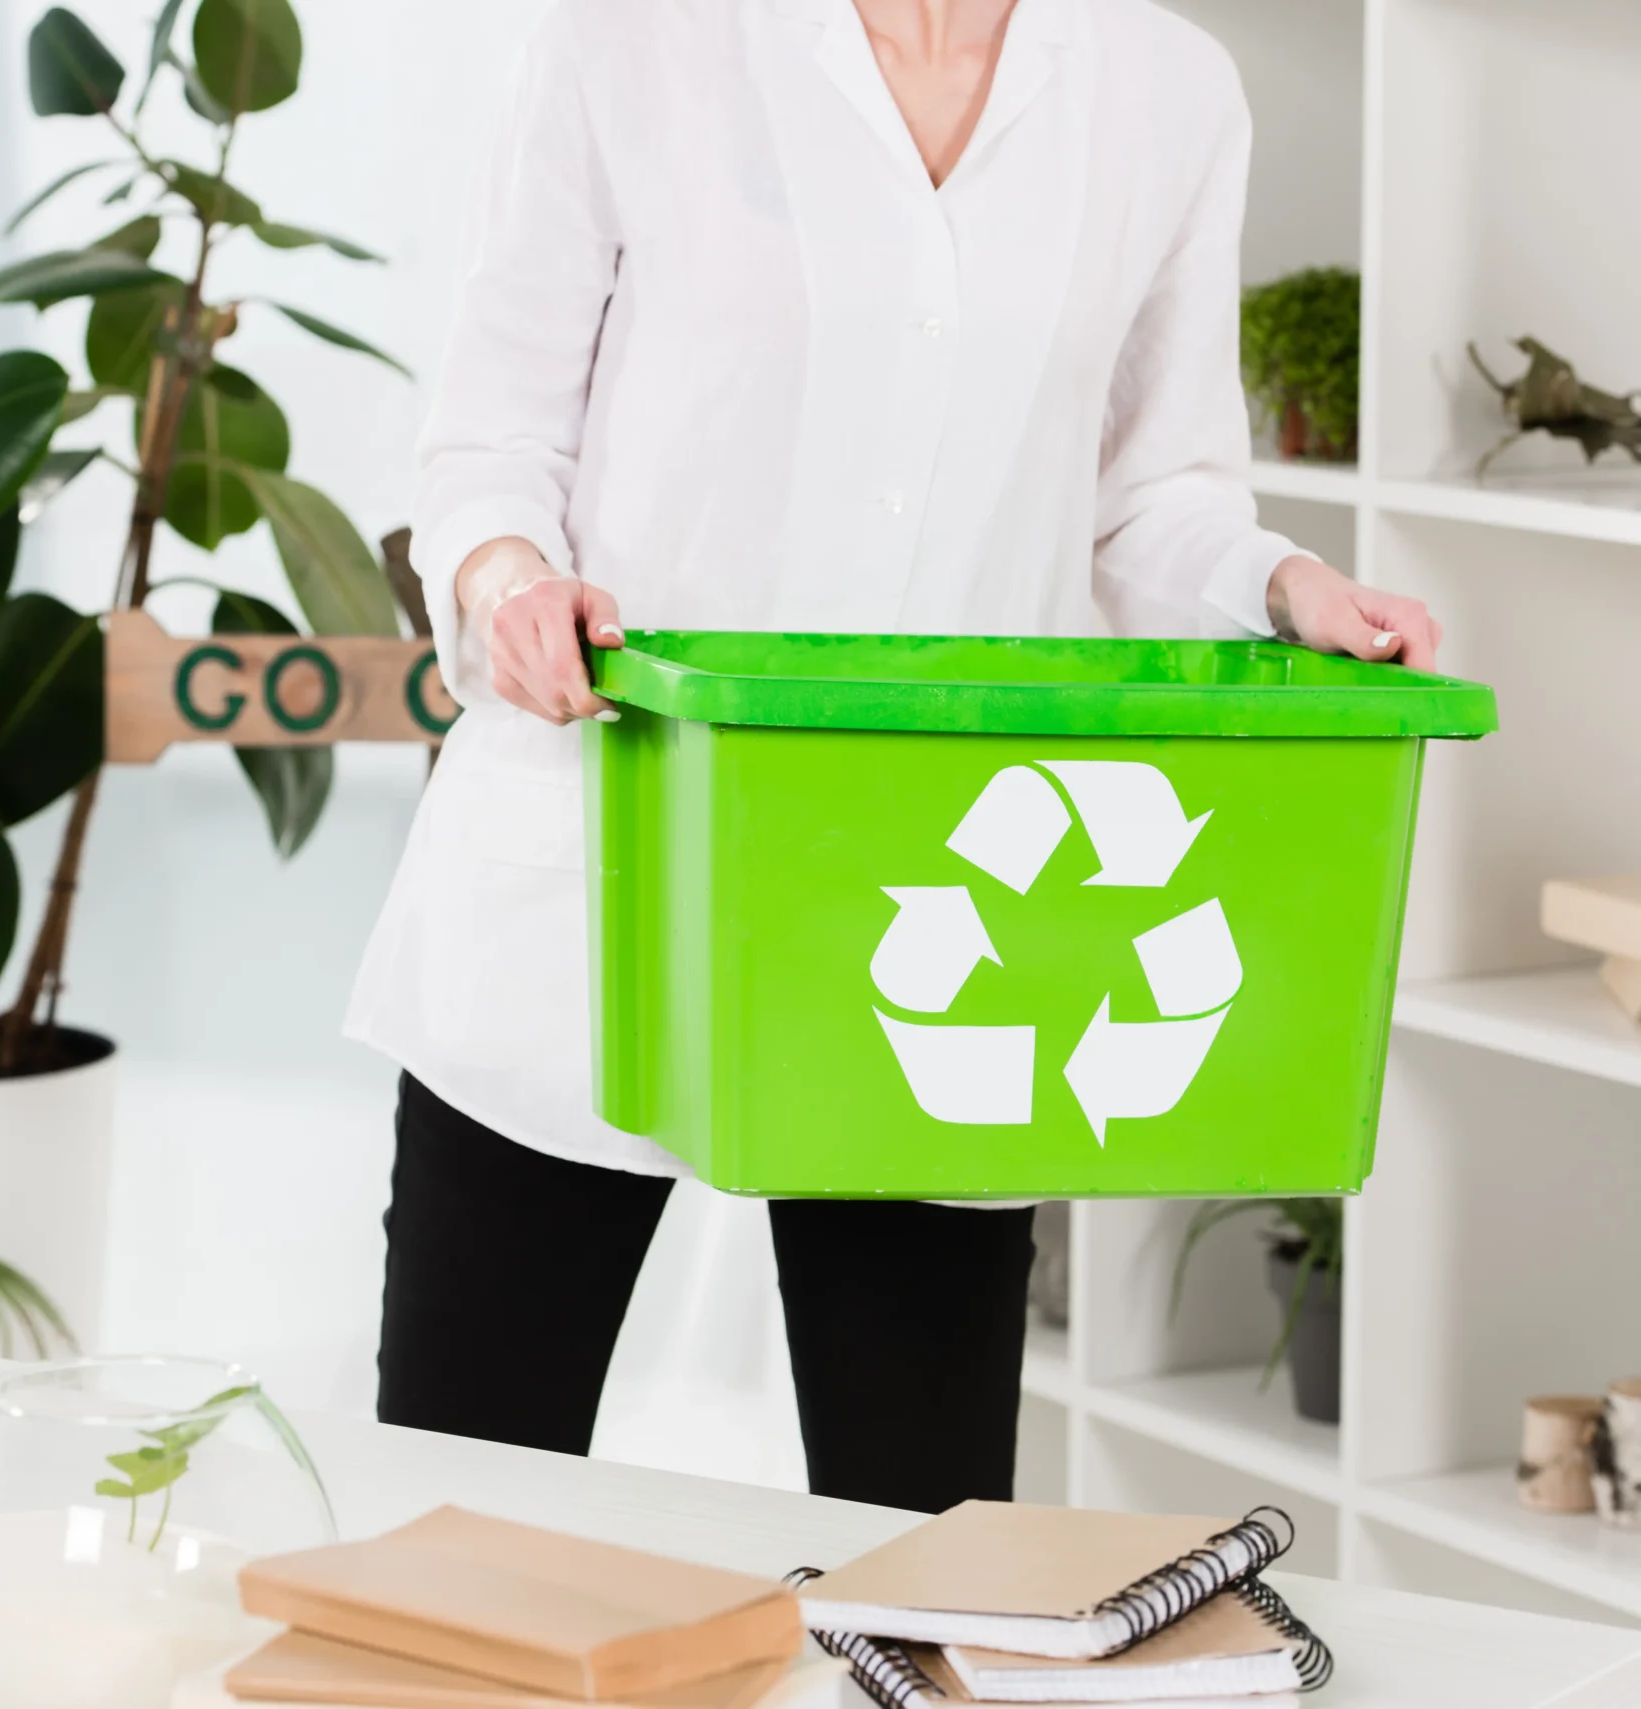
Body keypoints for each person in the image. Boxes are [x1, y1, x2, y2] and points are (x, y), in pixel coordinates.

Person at [344, 0, 1443, 1515]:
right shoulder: (625, 41)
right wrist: (510, 581)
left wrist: (1286, 590)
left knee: (925, 1547)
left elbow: (1149, 496)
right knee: (464, 1513)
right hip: (607, 867)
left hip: (952, 894)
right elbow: (486, 450)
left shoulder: (1166, 88)